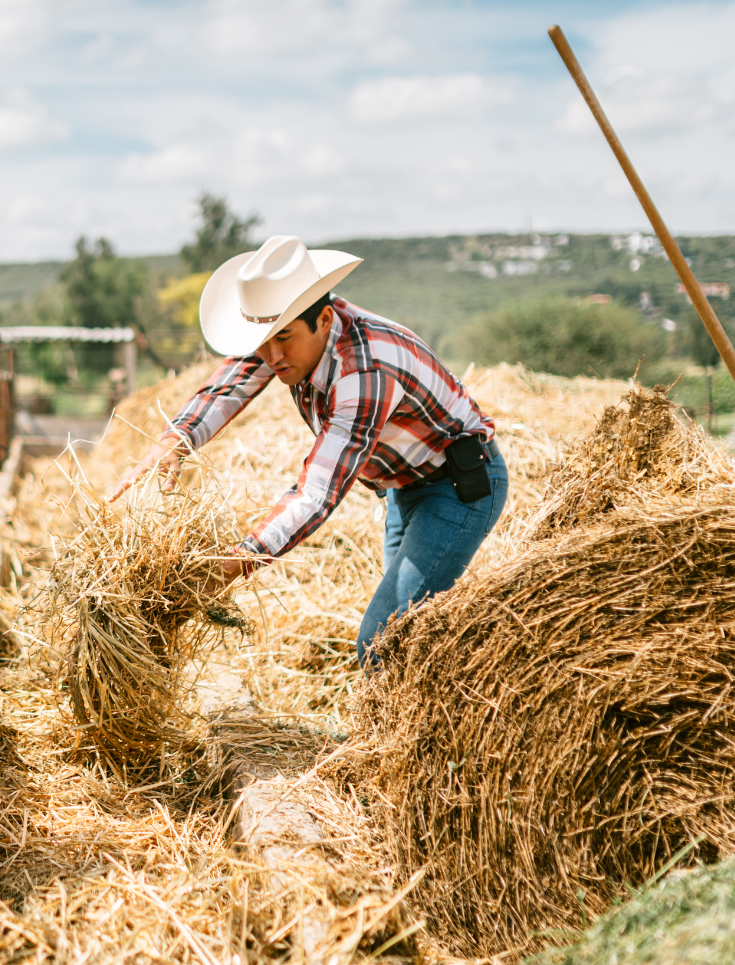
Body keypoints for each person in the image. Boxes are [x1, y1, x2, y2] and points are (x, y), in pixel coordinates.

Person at [109, 235, 507, 666]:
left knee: (383, 641)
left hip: (457, 485)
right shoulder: (284, 332)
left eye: (283, 339)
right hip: (403, 486)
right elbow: (229, 386)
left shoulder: (364, 372)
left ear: (324, 319)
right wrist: (174, 442)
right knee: (409, 636)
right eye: (262, 341)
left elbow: (316, 494)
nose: (272, 356)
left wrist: (239, 559)